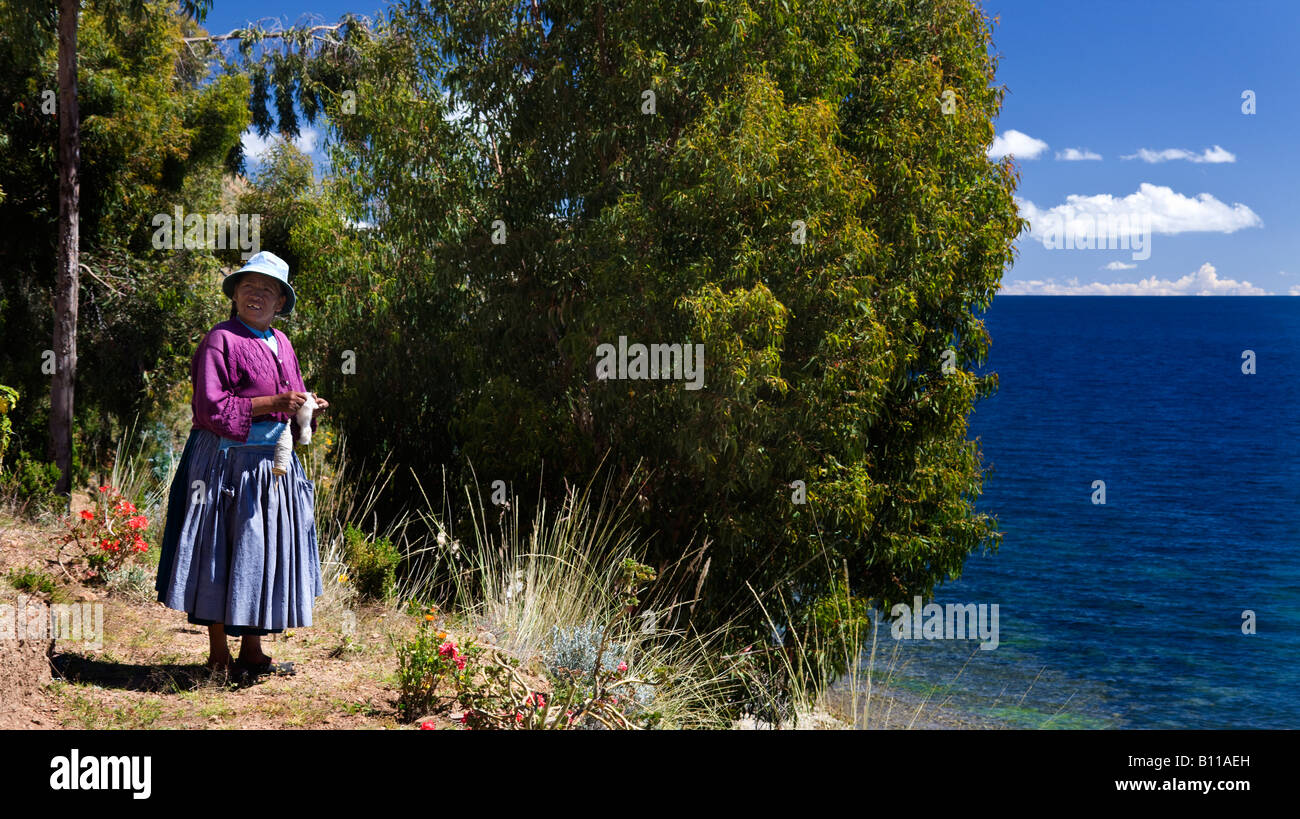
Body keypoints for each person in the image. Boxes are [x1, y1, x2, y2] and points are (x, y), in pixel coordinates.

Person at [154, 251, 329, 679]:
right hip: (224, 465)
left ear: (280, 303)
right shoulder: (221, 340)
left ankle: (252, 649)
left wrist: (308, 406)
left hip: (270, 468)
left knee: (260, 553)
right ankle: (218, 656)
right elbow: (211, 407)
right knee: (221, 549)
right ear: (234, 294)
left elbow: (293, 397)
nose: (257, 294)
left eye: (268, 290)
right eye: (249, 286)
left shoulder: (282, 343)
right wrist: (274, 403)